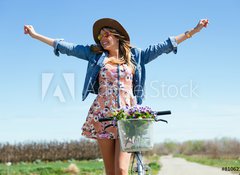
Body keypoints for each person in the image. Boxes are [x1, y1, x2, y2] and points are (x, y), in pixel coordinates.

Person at [24, 18, 209, 175]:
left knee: (121, 170)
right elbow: (67, 47)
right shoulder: (95, 55)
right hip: (102, 115)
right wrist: (35, 35)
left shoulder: (136, 56)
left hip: (127, 117)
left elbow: (165, 45)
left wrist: (194, 30)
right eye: (100, 36)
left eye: (106, 34)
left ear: (117, 36)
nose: (102, 38)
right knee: (111, 172)